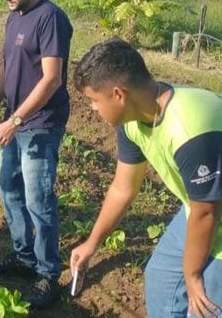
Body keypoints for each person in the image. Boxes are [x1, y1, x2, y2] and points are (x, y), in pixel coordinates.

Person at [70, 38, 222, 318]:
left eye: (93, 100)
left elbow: (207, 213)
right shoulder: (132, 122)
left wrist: (192, 274)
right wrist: (91, 244)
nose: (92, 108)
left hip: (210, 212)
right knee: (161, 280)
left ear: (118, 94)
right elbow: (122, 188)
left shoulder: (190, 127)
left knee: (204, 307)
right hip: (200, 207)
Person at [0, 0, 73, 308]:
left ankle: (48, 274)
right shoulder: (13, 19)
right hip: (12, 121)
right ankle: (23, 257)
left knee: (38, 199)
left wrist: (14, 121)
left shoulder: (51, 18)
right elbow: (5, 71)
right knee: (9, 188)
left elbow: (52, 80)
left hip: (40, 125)